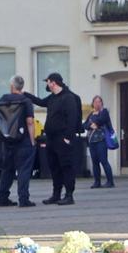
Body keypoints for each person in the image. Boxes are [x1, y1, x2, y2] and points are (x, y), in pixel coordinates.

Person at [0, 75, 39, 207]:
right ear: (22, 86)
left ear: (12, 86)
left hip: (7, 140)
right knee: (24, 170)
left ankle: (2, 198)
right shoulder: (26, 101)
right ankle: (23, 199)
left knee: (7, 170)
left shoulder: (3, 99)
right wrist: (32, 141)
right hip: (23, 140)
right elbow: (30, 122)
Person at [39, 72, 84, 204]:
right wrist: (24, 94)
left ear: (53, 82)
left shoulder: (68, 98)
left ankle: (69, 195)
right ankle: (56, 194)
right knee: (54, 166)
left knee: (66, 166)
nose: (46, 84)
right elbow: (40, 102)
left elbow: (72, 118)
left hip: (63, 138)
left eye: (47, 81)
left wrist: (68, 137)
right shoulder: (52, 98)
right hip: (51, 138)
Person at [86, 96, 117, 188]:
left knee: (104, 161)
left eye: (99, 102)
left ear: (102, 103)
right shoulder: (91, 113)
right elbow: (84, 124)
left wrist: (94, 123)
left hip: (102, 140)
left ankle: (110, 181)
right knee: (95, 162)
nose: (97, 103)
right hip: (92, 141)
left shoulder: (104, 112)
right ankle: (97, 182)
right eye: (95, 102)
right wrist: (90, 125)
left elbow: (102, 120)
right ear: (93, 103)